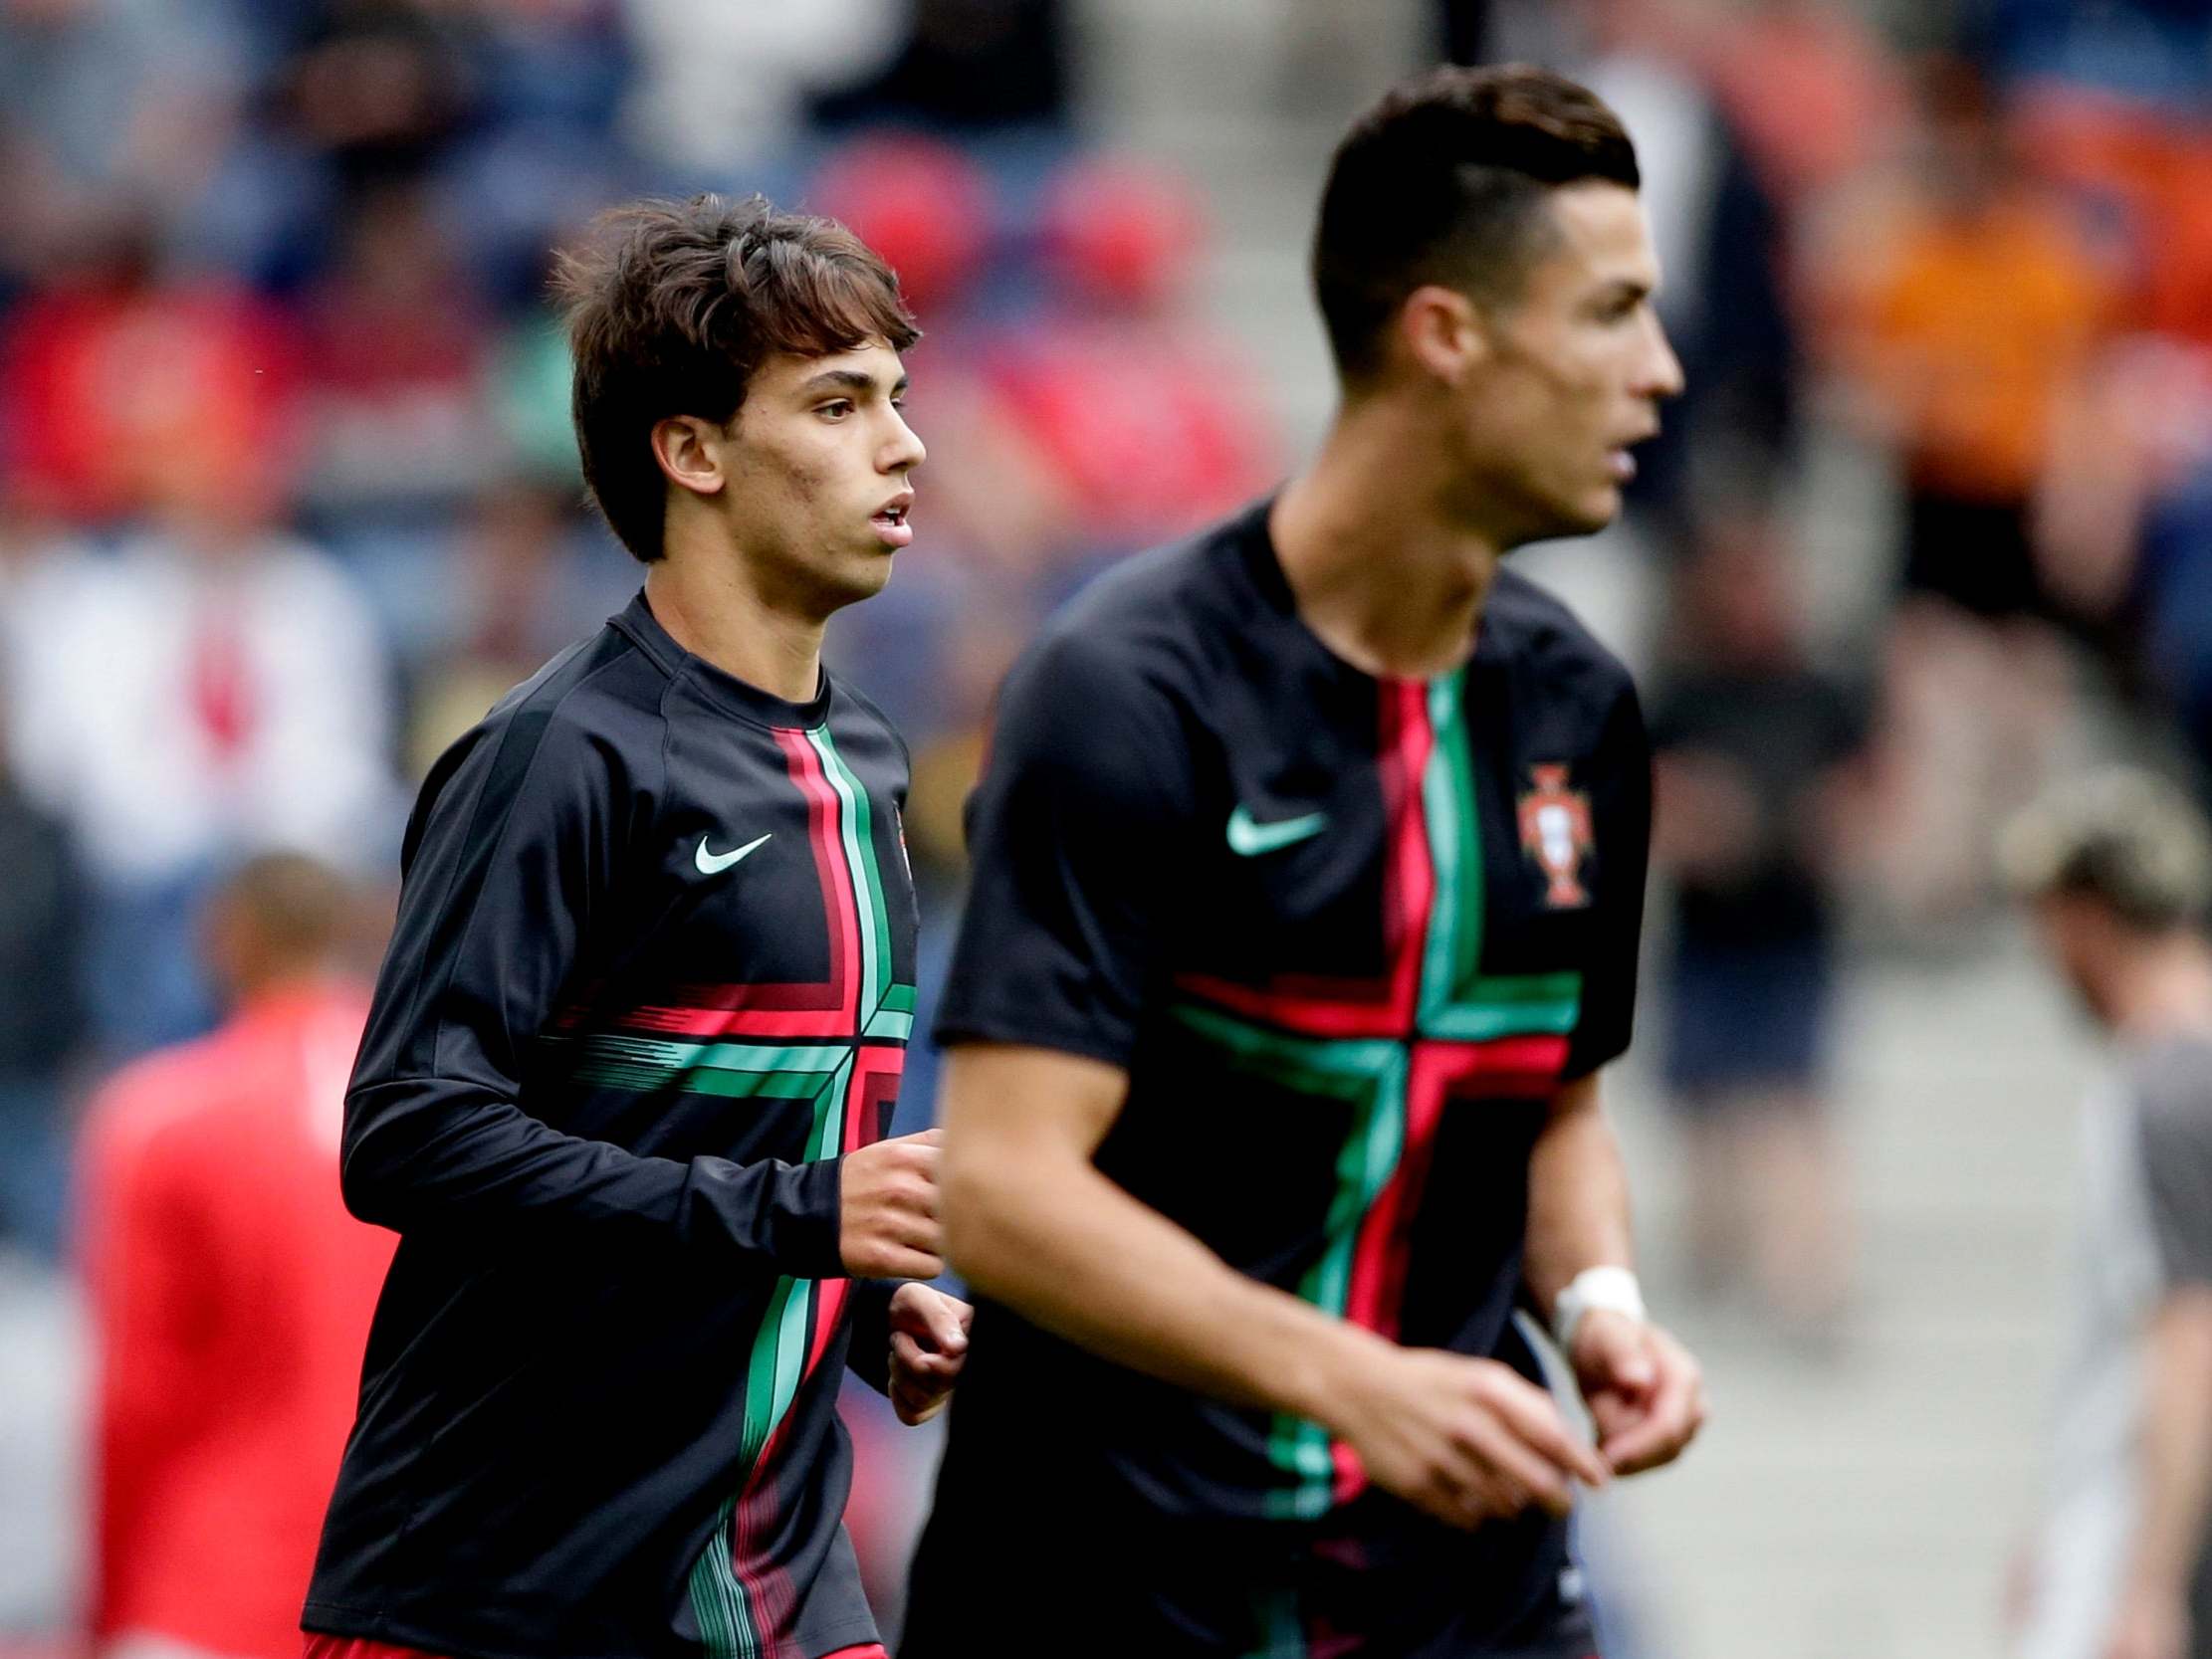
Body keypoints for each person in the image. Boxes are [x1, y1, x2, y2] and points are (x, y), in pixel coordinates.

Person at [907, 65, 1705, 1658]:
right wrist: (1353, 1377)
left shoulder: (1578, 708)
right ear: (1445, 338)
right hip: (1108, 1580)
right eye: (1610, 314)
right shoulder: (1126, 689)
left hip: (1456, 1587)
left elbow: (1547, 1103)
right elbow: (998, 1187)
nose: (1660, 373)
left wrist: (1601, 1303)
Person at [303, 195, 968, 1659]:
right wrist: (801, 1220)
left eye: (896, 400)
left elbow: (732, 1141)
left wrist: (856, 1295)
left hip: (770, 1582)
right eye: (838, 403)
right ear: (691, 450)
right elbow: (407, 1127)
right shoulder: (562, 753)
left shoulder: (865, 761)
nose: (902, 444)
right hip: (503, 1587)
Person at [81, 854, 390, 1659]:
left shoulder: (163, 1117)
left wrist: (109, 1605)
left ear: (227, 940)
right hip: (417, 1593)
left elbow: (138, 1398)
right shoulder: (469, 1110)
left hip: (215, 1589)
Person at [2004, 770, 2212, 1659]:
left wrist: (2150, 1583)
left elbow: (2190, 1332)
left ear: (2083, 915)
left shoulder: (2166, 1090)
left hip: (2142, 1534)